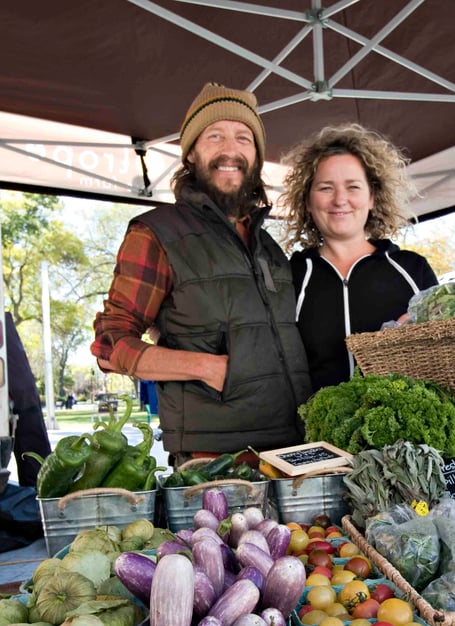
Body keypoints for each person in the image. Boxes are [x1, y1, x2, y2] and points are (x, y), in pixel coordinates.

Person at [91, 83, 312, 463]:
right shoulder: (158, 233)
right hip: (213, 459)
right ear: (191, 152)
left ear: (257, 155)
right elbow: (110, 343)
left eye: (244, 138)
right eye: (215, 136)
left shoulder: (270, 247)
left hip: (291, 447)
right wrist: (205, 367)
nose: (231, 149)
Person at [280, 123, 438, 392]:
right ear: (307, 201)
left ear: (373, 198)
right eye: (326, 188)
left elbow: (448, 351)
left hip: (404, 431)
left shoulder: (412, 270)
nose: (340, 200)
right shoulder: (288, 277)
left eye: (353, 187)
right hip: (314, 433)